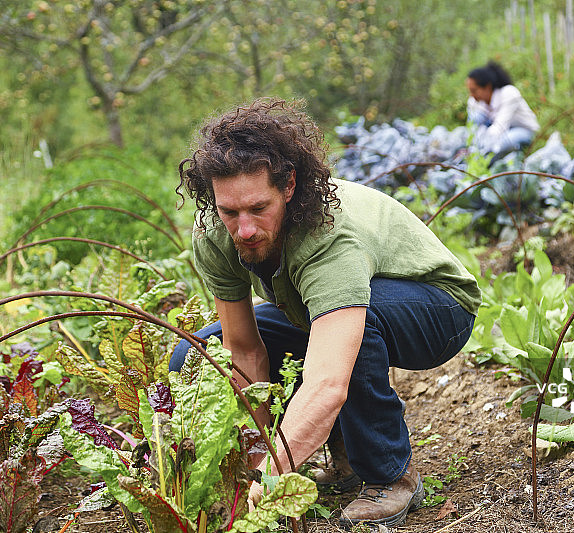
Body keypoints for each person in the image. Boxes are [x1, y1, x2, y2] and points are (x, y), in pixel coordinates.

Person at [171, 98, 481, 528]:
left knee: (353, 332)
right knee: (202, 351)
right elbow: (243, 351)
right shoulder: (213, 233)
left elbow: (328, 382)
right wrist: (262, 460)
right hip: (323, 311)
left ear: (289, 187)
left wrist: (269, 481)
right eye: (230, 211)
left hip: (438, 307)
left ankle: (391, 475)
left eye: (259, 208)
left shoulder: (327, 235)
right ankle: (346, 462)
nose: (244, 228)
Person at [466, 61, 540, 165]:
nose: (471, 95)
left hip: (522, 131)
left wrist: (482, 148)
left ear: (487, 87)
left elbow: (499, 127)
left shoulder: (508, 93)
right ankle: (481, 161)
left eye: (474, 91)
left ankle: (487, 164)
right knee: (477, 120)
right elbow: (473, 127)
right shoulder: (475, 101)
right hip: (497, 132)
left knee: (503, 142)